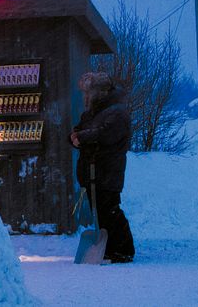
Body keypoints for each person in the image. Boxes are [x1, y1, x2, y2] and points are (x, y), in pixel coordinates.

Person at [69, 72, 135, 263]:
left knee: (110, 209)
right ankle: (109, 248)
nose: (85, 97)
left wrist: (81, 137)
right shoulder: (91, 114)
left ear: (101, 92)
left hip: (108, 171)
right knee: (100, 211)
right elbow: (80, 130)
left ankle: (123, 249)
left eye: (89, 93)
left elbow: (105, 134)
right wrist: (75, 137)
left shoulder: (117, 113)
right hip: (93, 171)